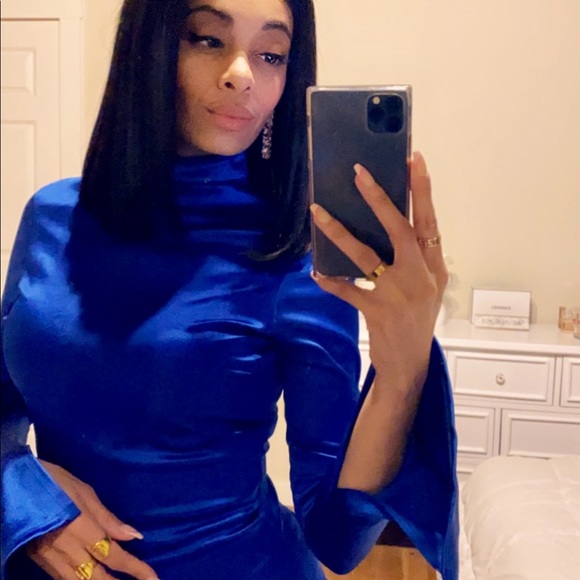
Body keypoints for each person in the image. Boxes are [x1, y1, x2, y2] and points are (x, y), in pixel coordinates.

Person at [1, 0, 459, 578]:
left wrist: (401, 374)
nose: (242, 74)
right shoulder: (51, 215)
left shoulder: (294, 251)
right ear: (146, 45)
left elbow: (337, 537)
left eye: (272, 54)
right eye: (206, 39)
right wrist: (26, 498)